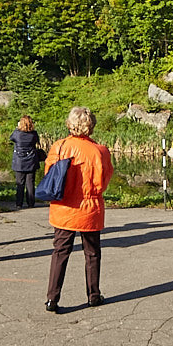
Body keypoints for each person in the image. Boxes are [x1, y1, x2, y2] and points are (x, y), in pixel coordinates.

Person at [43, 106, 114, 312]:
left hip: (64, 207)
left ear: (70, 124)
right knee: (92, 253)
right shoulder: (100, 151)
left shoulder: (60, 146)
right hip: (90, 207)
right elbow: (104, 181)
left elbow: (50, 175)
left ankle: (52, 298)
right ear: (91, 126)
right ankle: (93, 295)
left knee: (60, 252)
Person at [10, 115, 41, 209]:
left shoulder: (17, 134)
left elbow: (11, 138)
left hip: (19, 161)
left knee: (20, 183)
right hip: (31, 160)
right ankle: (31, 203)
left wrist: (17, 127)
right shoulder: (34, 134)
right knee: (30, 183)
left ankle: (19, 203)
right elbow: (37, 141)